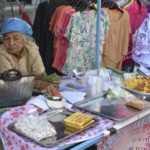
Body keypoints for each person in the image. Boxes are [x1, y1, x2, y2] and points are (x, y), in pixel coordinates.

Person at [0, 17, 60, 96]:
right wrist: (38, 83)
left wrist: (48, 80)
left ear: (25, 40)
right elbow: (10, 82)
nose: (11, 43)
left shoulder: (31, 48)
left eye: (16, 38)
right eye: (6, 39)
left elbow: (40, 73)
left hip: (26, 90)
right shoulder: (2, 53)